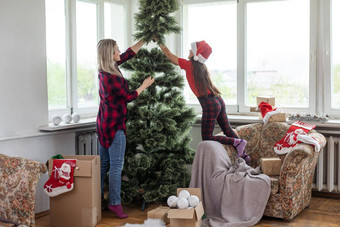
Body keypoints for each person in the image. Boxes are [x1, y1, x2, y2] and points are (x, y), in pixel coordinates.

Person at [158, 40, 250, 164]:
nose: (189, 51)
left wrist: (159, 41)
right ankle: (244, 155)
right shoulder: (201, 67)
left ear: (196, 54)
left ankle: (237, 142)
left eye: (191, 50)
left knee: (207, 137)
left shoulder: (189, 65)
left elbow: (169, 56)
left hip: (209, 104)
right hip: (218, 100)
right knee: (227, 129)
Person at [96, 39, 155, 219]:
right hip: (115, 127)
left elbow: (128, 53)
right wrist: (144, 85)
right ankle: (114, 203)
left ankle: (96, 200)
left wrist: (144, 39)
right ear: (110, 54)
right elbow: (128, 96)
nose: (119, 52)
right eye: (116, 50)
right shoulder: (112, 78)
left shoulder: (105, 70)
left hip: (102, 125)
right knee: (115, 167)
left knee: (103, 165)